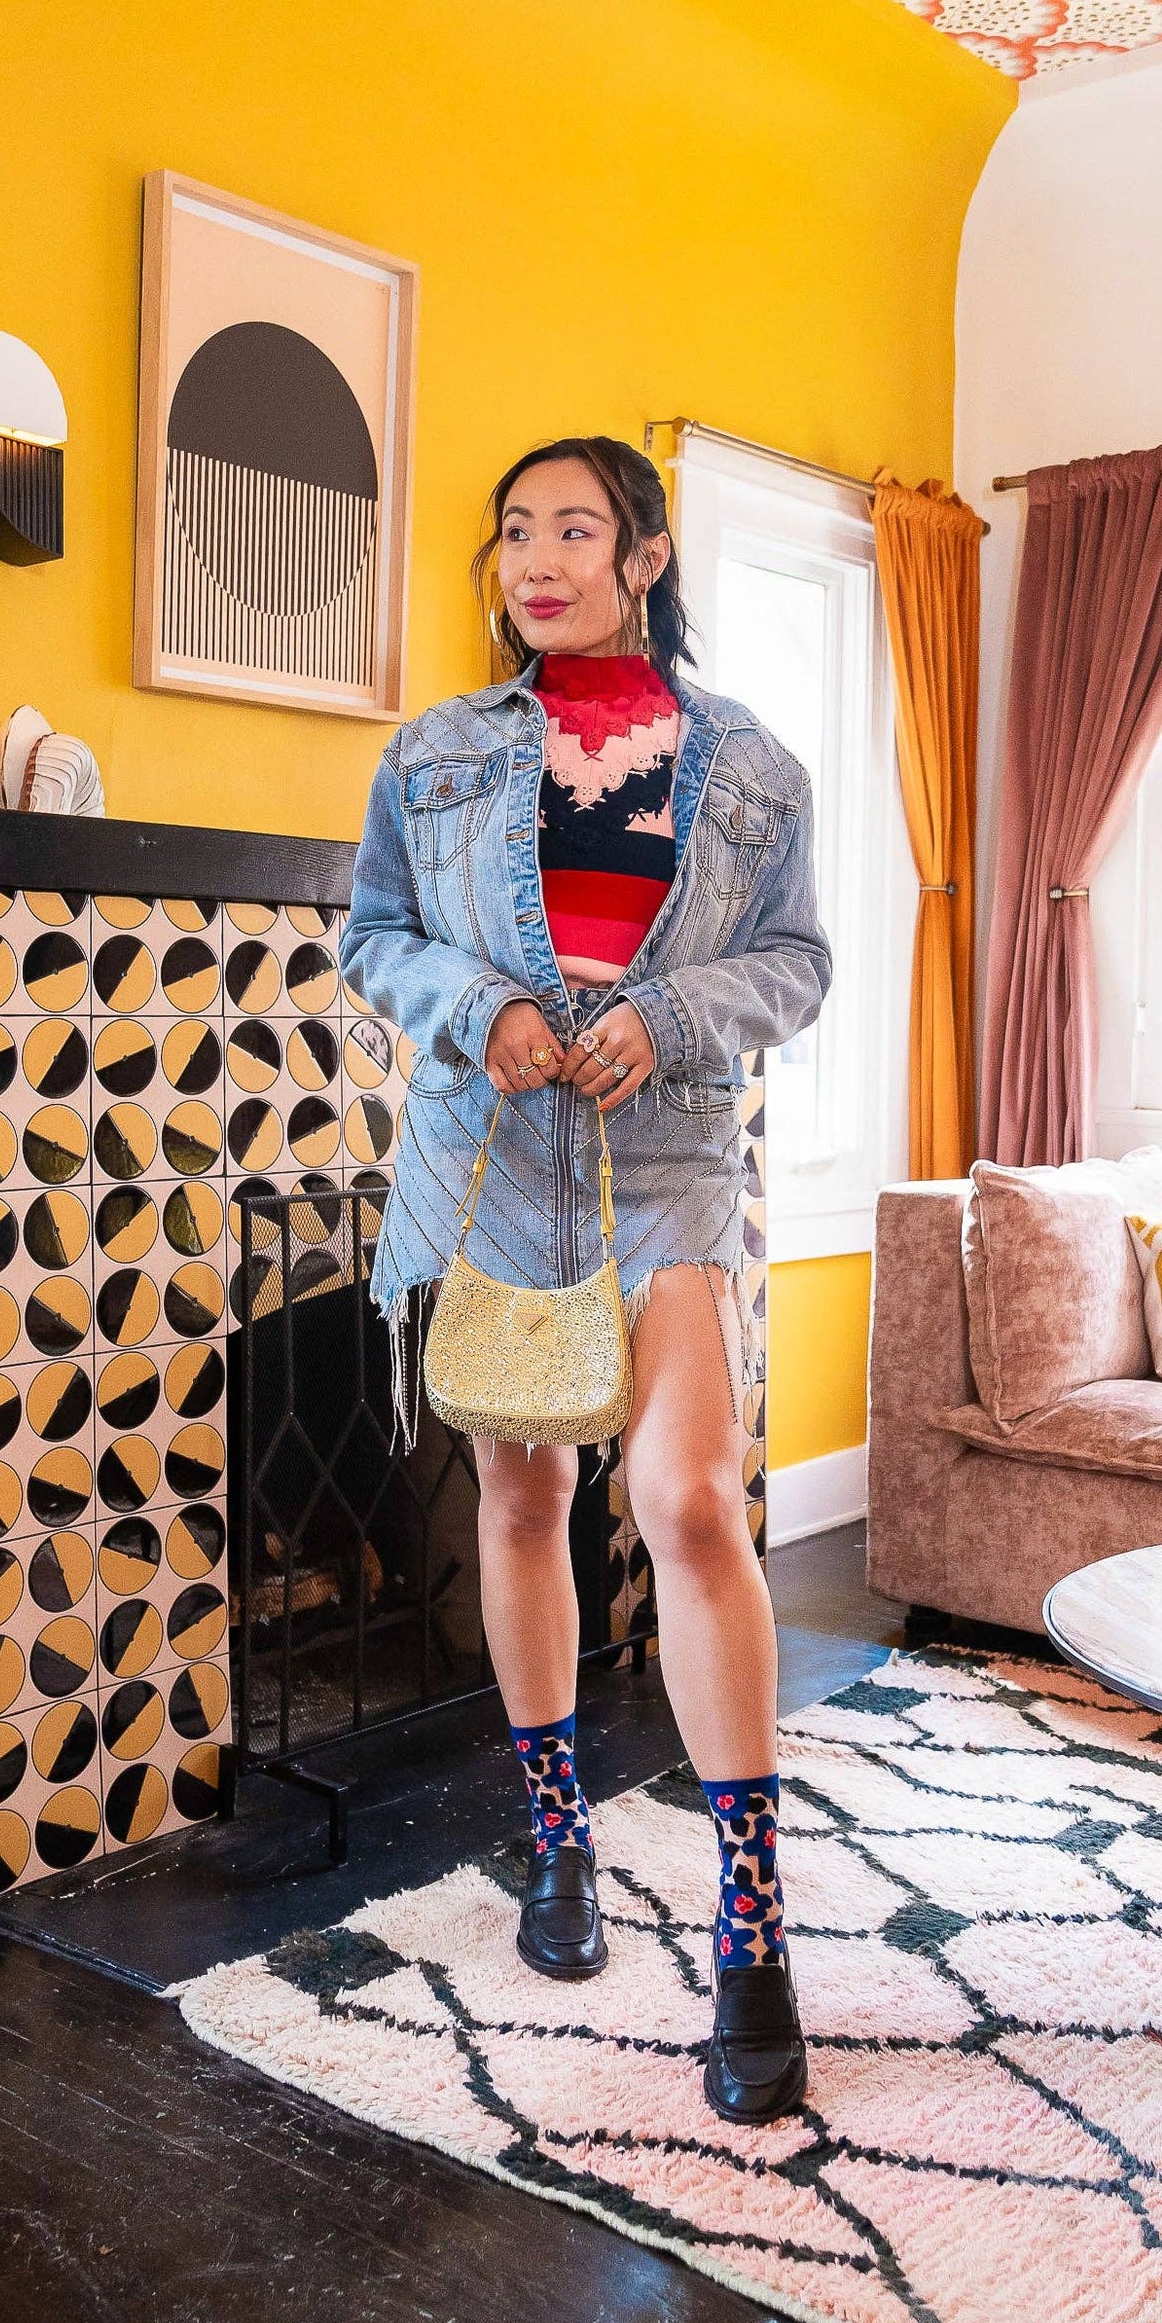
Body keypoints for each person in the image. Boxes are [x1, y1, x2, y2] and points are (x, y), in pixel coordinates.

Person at [340, 435, 831, 2123]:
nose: (535, 559)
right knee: (521, 1491)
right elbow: (372, 934)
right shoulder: (432, 751)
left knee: (689, 1500)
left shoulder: (751, 762)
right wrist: (482, 1006)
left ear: (643, 553)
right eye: (512, 531)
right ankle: (556, 1839)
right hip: (487, 1157)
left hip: (669, 1161)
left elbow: (797, 961)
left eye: (571, 528)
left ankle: (750, 1927)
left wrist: (670, 1015)